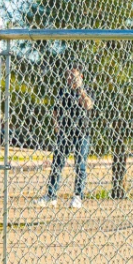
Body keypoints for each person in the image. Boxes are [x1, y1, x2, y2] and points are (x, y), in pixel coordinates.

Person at [36, 66, 93, 209]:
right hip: (65, 133)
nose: (70, 79)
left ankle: (77, 197)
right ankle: (51, 196)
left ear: (81, 77)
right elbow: (55, 110)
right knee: (57, 164)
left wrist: (80, 89)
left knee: (80, 166)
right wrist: (57, 126)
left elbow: (87, 105)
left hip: (81, 133)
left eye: (74, 76)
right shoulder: (63, 91)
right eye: (68, 76)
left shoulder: (86, 91)